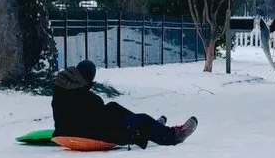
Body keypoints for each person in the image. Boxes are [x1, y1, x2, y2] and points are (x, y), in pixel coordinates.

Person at [52, 60, 197, 148]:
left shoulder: (61, 90)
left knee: (112, 106)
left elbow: (87, 111)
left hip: (64, 129)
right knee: (142, 120)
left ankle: (154, 127)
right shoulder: (86, 96)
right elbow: (98, 115)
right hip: (89, 133)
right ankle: (173, 136)